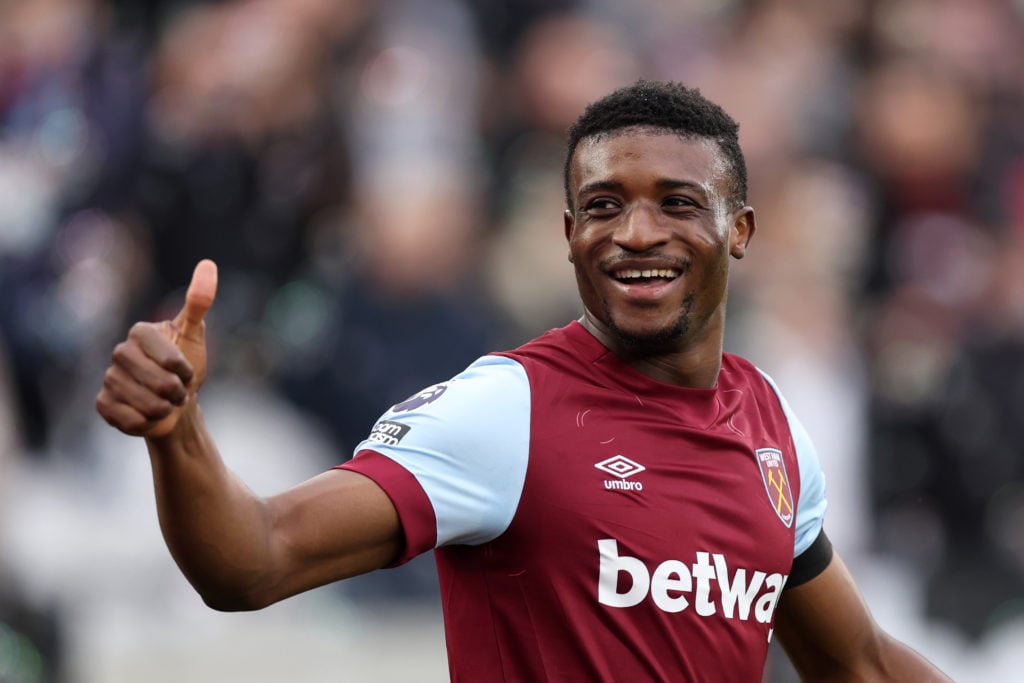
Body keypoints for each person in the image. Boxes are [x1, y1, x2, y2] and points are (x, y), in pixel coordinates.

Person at [95, 80, 951, 682]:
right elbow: (254, 561)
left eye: (679, 203)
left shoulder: (769, 426)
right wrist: (177, 432)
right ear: (570, 232)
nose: (638, 232)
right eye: (606, 205)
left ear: (741, 231)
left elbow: (858, 663)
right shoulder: (508, 410)